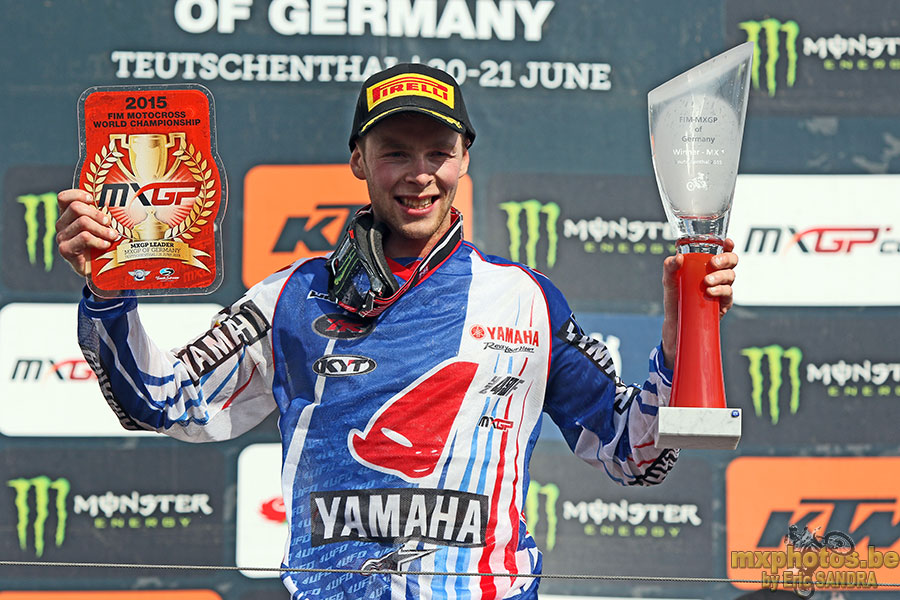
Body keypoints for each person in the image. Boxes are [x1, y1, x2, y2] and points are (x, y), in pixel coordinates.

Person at [56, 63, 738, 600]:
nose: (419, 175)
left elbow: (636, 454)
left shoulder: (526, 299)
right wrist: (109, 285)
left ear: (465, 158)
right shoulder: (292, 296)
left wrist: (683, 340)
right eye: (395, 153)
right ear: (358, 160)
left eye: (438, 152)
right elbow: (160, 400)